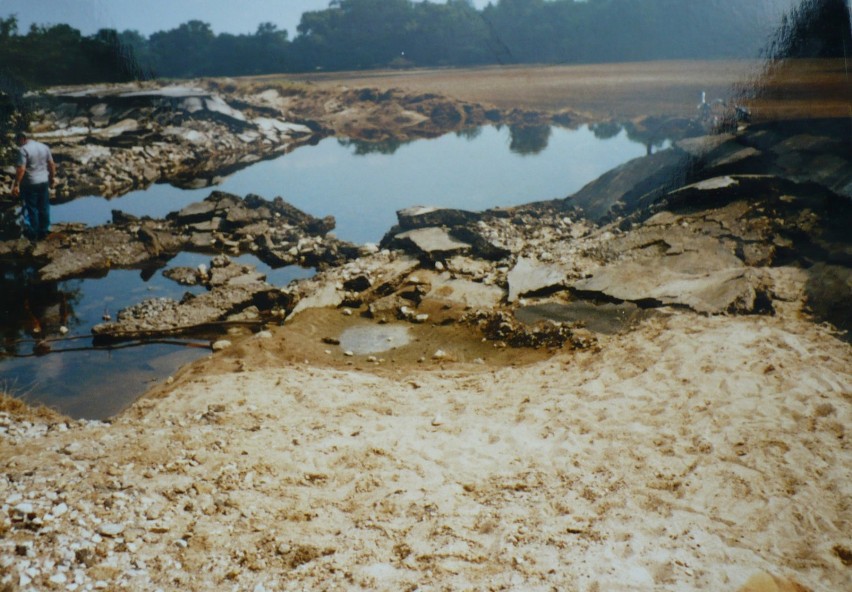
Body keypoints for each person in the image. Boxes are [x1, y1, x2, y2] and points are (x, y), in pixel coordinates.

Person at [11, 131, 55, 240]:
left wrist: (16, 184)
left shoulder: (23, 149)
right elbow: (51, 164)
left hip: (30, 183)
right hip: (43, 181)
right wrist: (52, 178)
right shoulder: (44, 147)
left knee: (32, 208)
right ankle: (43, 230)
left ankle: (33, 232)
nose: (17, 143)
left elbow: (21, 168)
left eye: (17, 140)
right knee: (44, 207)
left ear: (22, 138)